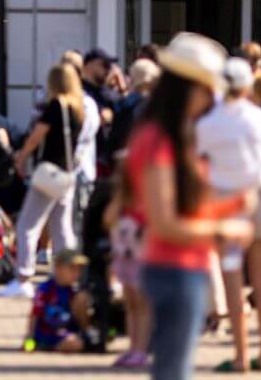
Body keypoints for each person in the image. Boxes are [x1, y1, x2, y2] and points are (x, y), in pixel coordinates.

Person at [125, 33, 254, 380]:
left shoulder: (164, 136)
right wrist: (225, 226)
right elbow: (165, 222)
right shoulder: (160, 141)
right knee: (174, 371)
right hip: (174, 270)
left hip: (180, 268)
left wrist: (230, 207)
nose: (211, 100)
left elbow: (179, 213)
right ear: (189, 89)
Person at [196, 57, 261, 372]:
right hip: (258, 202)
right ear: (246, 86)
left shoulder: (206, 124)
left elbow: (199, 166)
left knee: (232, 281)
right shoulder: (259, 117)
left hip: (226, 209)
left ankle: (241, 355)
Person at [0, 63, 85, 298]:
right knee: (62, 228)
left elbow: (37, 136)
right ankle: (68, 277)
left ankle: (23, 277)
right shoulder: (79, 109)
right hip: (67, 175)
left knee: (28, 225)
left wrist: (21, 156)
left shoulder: (55, 106)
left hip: (48, 174)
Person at [104, 158, 151, 370]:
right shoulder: (123, 198)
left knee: (142, 304)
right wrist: (120, 196)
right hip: (125, 255)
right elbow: (108, 219)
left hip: (142, 256)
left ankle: (142, 348)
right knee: (130, 303)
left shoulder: (149, 197)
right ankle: (133, 347)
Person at [60, 51, 102, 233]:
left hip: (79, 172)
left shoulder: (87, 103)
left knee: (77, 224)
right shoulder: (47, 97)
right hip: (57, 171)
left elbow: (84, 137)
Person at [23, 249, 93, 353]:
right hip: (48, 333)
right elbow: (35, 314)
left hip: (67, 330)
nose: (76, 273)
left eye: (79, 269)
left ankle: (85, 336)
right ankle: (46, 346)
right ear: (58, 268)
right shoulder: (46, 289)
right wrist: (29, 337)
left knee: (82, 298)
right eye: (72, 268)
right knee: (74, 343)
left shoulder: (73, 290)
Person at [82, 48, 121, 175]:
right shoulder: (78, 92)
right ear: (89, 65)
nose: (108, 69)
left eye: (110, 66)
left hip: (108, 162)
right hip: (85, 161)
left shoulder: (110, 95)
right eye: (105, 65)